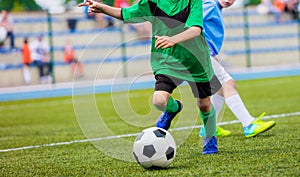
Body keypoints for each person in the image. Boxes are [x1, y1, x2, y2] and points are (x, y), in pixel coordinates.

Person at [78, 0, 222, 154]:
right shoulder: (152, 2)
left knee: (204, 104)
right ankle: (173, 109)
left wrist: (172, 39)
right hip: (167, 60)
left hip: (195, 61)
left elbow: (195, 30)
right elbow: (126, 14)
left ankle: (210, 138)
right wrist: (103, 8)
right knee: (159, 101)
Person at [199, 0, 276, 138]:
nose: (229, 1)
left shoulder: (213, 5)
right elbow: (192, 26)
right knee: (228, 83)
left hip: (204, 53)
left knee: (219, 88)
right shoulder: (209, 5)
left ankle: (208, 128)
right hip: (200, 53)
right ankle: (249, 124)